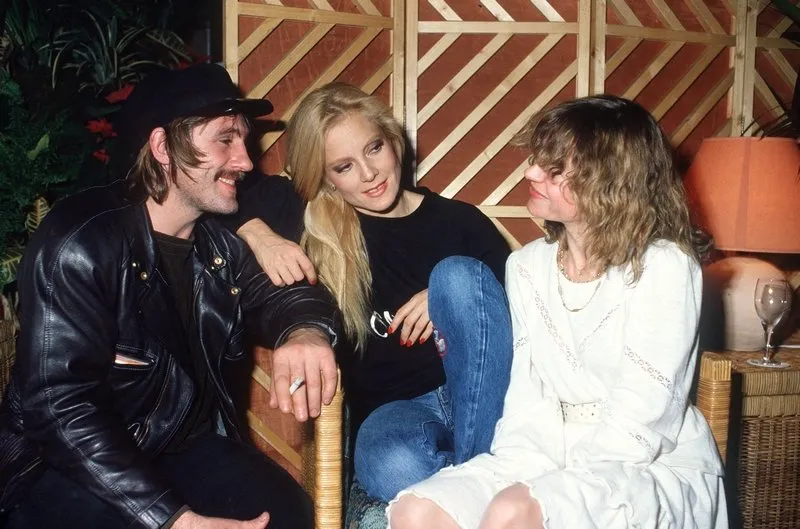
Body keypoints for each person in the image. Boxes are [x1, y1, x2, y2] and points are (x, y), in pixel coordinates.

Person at [0, 63, 340, 529]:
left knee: (286, 514)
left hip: (182, 447)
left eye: (243, 140)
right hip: (70, 463)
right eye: (225, 139)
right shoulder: (80, 242)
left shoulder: (221, 243)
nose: (245, 161)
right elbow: (59, 406)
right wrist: (175, 520)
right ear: (163, 148)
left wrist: (305, 333)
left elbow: (289, 296)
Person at [387, 95, 727, 529]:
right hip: (545, 453)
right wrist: (520, 471)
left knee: (514, 511)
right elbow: (526, 398)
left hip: (645, 464)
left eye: (555, 168)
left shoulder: (665, 265)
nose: (530, 172)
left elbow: (645, 413)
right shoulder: (526, 266)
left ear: (608, 182)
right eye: (537, 160)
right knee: (417, 511)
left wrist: (547, 487)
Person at [231, 83, 514, 503]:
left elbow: (519, 312)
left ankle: (473, 481)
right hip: (399, 413)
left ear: (393, 141)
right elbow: (202, 198)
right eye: (343, 166)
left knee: (457, 276)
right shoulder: (312, 220)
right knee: (390, 464)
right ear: (325, 178)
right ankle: (487, 485)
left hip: (484, 398)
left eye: (374, 148)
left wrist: (448, 299)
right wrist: (258, 234)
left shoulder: (461, 222)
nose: (369, 174)